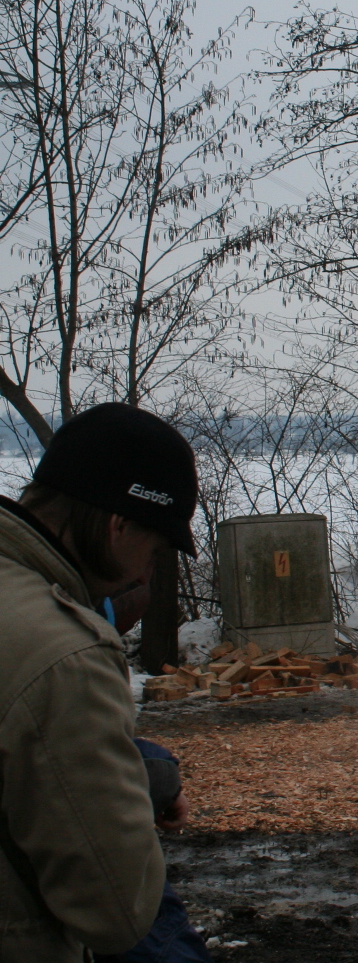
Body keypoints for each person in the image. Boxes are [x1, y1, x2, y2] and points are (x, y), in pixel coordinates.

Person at [0, 403, 200, 961]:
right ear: (118, 527)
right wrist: (137, 792)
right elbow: (116, 910)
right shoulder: (65, 654)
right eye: (154, 552)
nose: (144, 574)